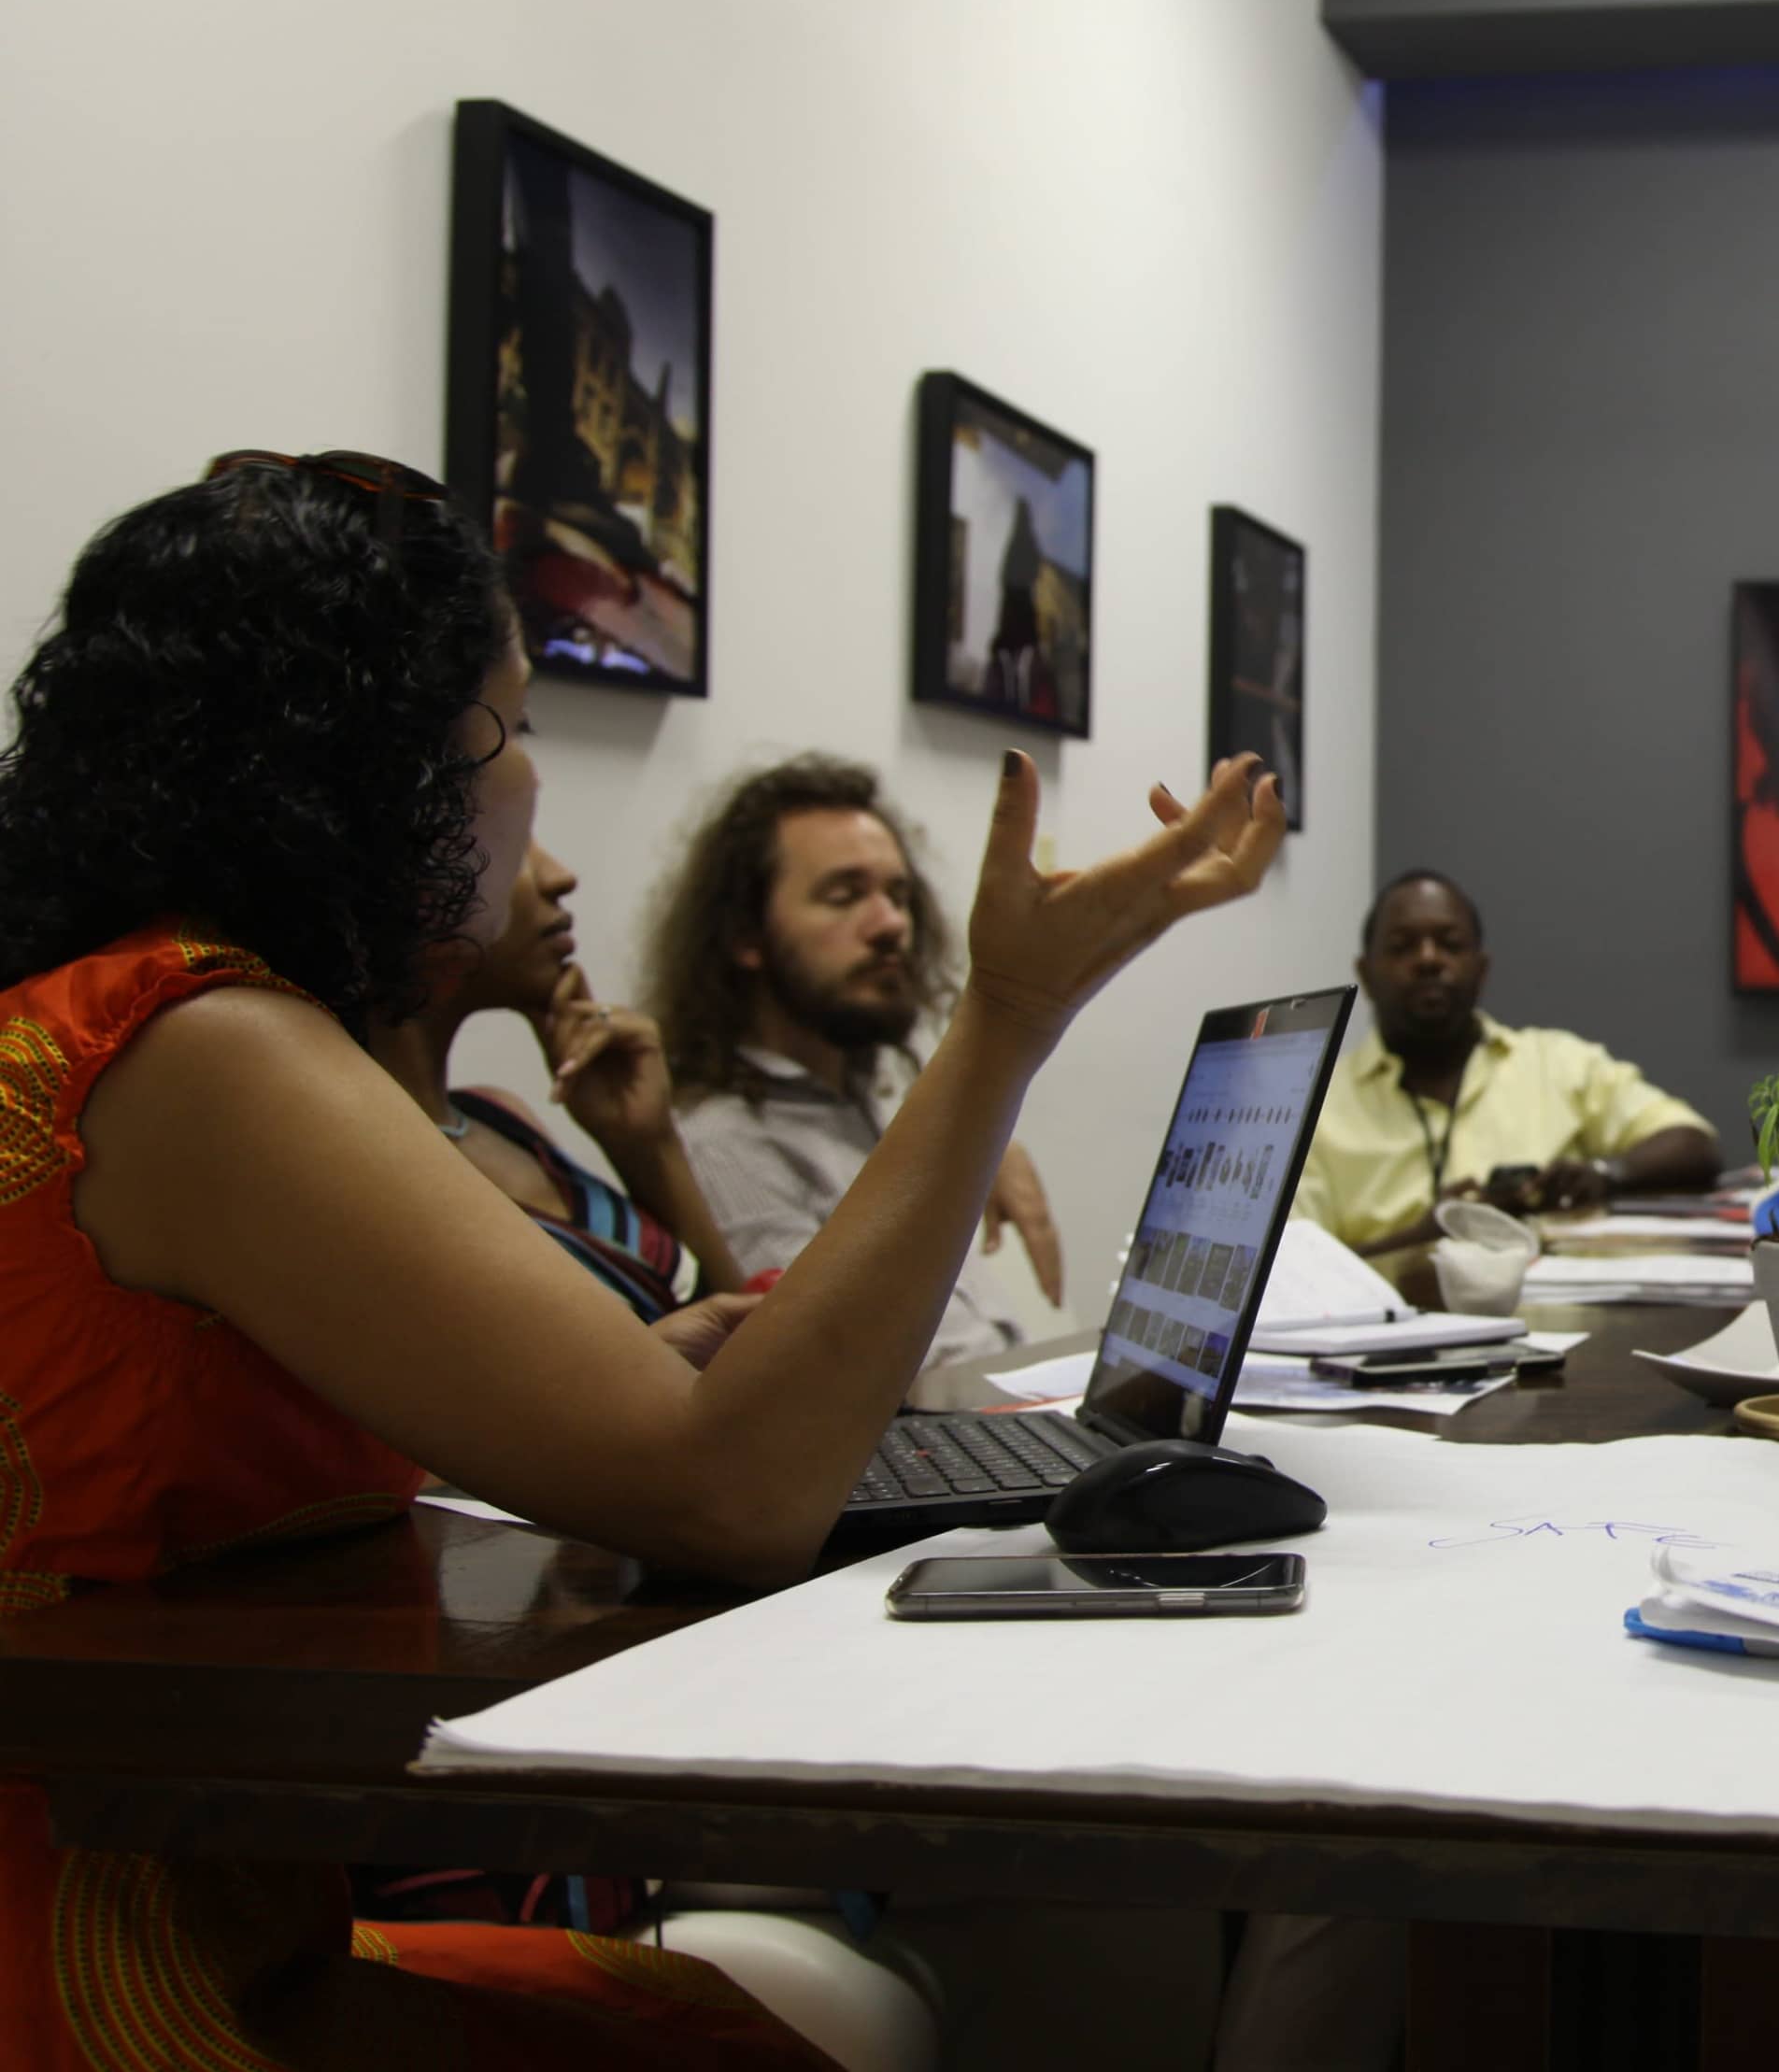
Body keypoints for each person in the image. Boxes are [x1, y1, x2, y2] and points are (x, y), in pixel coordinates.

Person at [0, 447, 1281, 2068]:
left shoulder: (144, 1016)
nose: (533, 787)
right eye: (512, 724)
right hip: (104, 1967)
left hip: (205, 1899)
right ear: (375, 766)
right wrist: (1011, 1011)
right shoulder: (204, 1043)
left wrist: (617, 1374)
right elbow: (730, 1497)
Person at [645, 757, 1066, 1372]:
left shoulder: (859, 1101)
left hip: (1012, 1411)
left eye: (898, 895)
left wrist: (980, 1138)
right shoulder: (725, 1141)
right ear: (744, 934)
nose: (892, 924)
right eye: (844, 896)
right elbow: (845, 1370)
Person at [368, 837, 747, 1320]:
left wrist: (648, 1147)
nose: (560, 876)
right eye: (512, 837)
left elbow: (750, 1344)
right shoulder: (370, 1166)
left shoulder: (500, 1117)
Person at [1296, 870, 1719, 1257]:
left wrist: (1603, 1174)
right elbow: (1291, 1273)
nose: (1428, 959)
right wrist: (1424, 1238)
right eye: (1402, 946)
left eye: (1450, 943)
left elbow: (1693, 1143)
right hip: (1376, 1330)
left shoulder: (1558, 1064)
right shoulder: (1312, 1105)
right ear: (1365, 974)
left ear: (1481, 970)